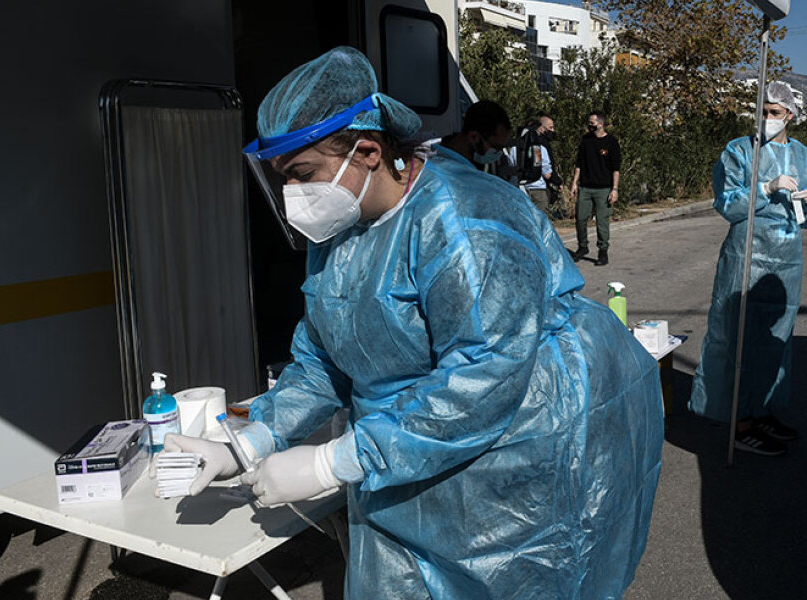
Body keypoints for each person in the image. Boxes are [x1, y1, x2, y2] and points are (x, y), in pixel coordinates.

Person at [158, 47, 664, 599]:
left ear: (368, 150)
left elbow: (486, 373)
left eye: (302, 174)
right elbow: (323, 357)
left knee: (509, 578)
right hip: (402, 451)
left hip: (516, 450)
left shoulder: (465, 221)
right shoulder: (340, 228)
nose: (294, 196)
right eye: (284, 179)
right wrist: (249, 441)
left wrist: (336, 460)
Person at [688, 81, 807, 457]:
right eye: (762, 111)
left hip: (786, 261)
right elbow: (727, 205)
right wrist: (765, 188)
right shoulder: (739, 151)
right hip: (746, 256)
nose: (767, 119)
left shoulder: (805, 157)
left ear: (791, 116)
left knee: (775, 342)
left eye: (775, 113)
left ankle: (762, 410)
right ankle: (740, 421)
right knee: (739, 340)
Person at [570, 112, 621, 266]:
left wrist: (615, 189)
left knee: (602, 221)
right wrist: (574, 183)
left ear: (600, 124)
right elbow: (579, 164)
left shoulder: (611, 142)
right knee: (580, 218)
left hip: (603, 189)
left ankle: (603, 251)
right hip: (585, 187)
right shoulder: (586, 140)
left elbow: (616, 169)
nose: (589, 125)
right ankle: (583, 247)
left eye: (592, 122)